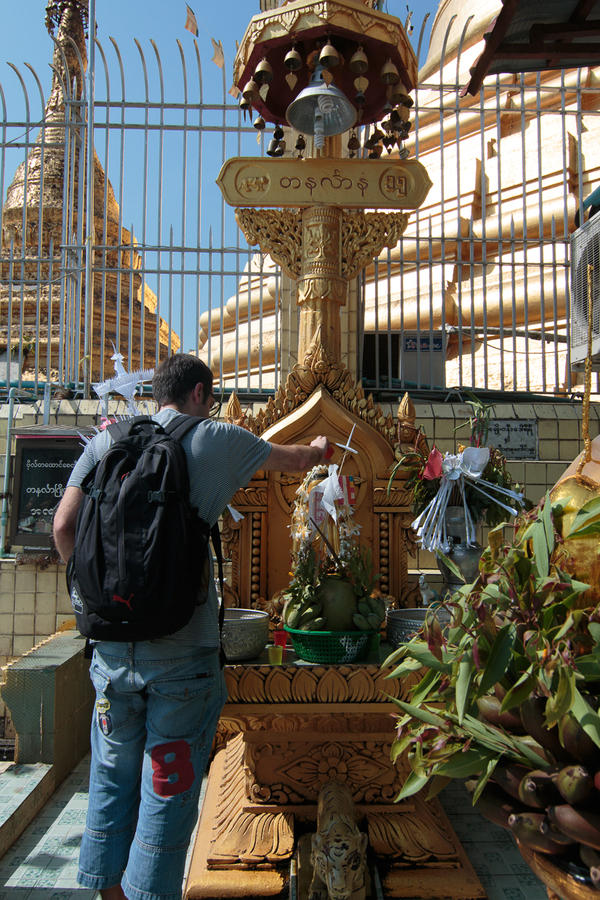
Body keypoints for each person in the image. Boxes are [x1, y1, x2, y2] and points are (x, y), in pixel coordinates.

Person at [53, 353, 330, 900]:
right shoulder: (217, 438)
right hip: (183, 653)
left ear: (158, 393)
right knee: (167, 785)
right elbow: (295, 461)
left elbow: (64, 526)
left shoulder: (106, 443)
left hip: (110, 653)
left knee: (111, 776)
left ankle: (109, 893)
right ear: (201, 392)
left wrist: (97, 603)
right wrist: (321, 449)